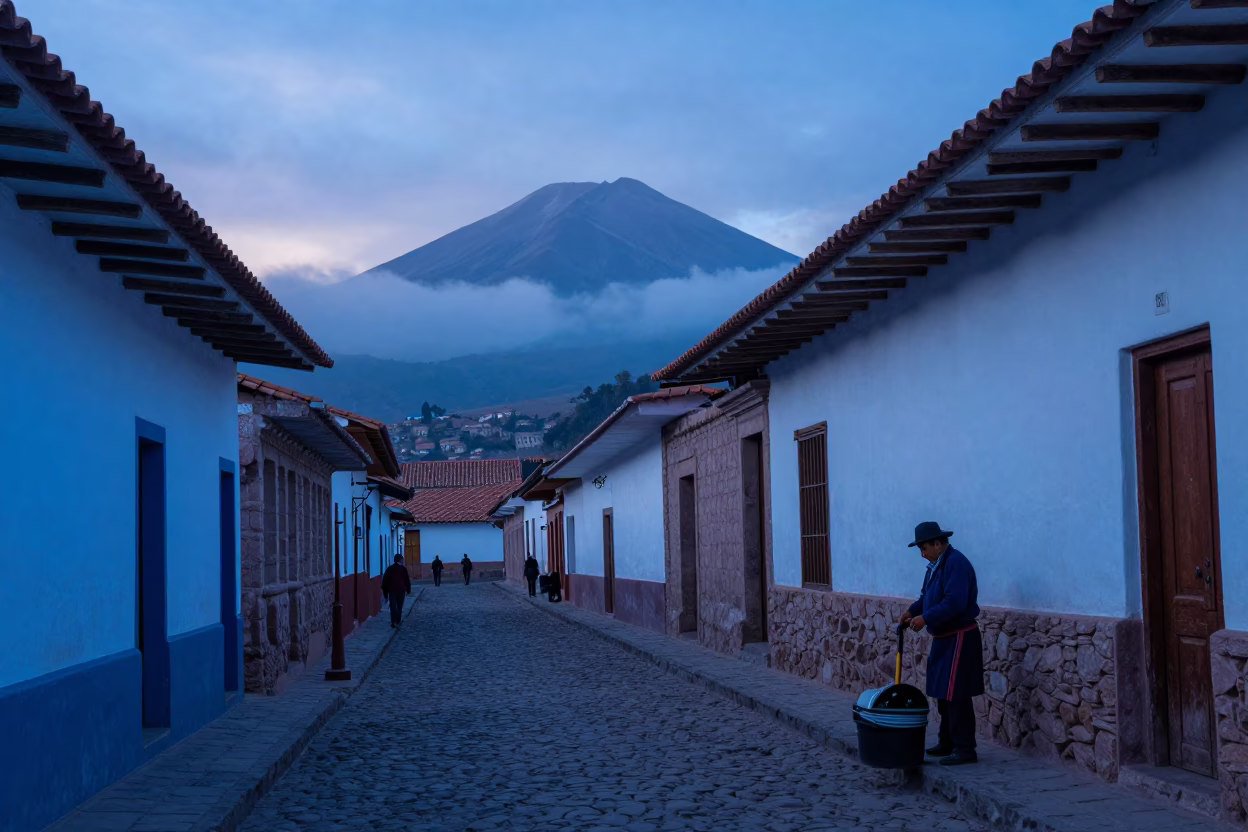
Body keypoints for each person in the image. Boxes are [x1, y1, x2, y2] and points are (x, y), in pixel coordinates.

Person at [898, 521, 984, 766]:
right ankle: (947, 741)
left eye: (924, 548)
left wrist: (925, 618)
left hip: (960, 636)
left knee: (956, 693)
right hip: (944, 637)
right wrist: (911, 611)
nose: (922, 554)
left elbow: (954, 602)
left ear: (938, 543)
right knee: (941, 693)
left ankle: (965, 748)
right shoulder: (935, 567)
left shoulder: (956, 563)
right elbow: (927, 597)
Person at [381, 553, 412, 628]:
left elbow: (385, 581)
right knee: (399, 606)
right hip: (400, 590)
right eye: (402, 559)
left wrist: (385, 592)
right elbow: (406, 580)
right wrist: (408, 589)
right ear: (400, 560)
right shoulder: (403, 569)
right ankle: (398, 621)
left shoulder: (390, 569)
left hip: (392, 590)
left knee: (393, 606)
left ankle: (393, 622)